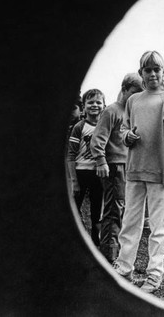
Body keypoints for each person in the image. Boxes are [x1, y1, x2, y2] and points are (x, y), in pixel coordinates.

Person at [112, 51, 164, 294]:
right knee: (129, 223)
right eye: (148, 70)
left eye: (157, 69)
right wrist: (127, 136)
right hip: (135, 169)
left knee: (159, 225)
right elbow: (124, 129)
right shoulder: (133, 101)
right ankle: (124, 268)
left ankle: (154, 274)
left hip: (161, 169)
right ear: (141, 73)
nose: (153, 73)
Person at [89, 73, 142, 263]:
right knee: (113, 210)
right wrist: (101, 161)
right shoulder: (112, 110)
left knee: (122, 209)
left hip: (127, 166)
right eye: (134, 92)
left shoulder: (130, 112)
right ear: (124, 89)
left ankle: (115, 250)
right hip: (113, 167)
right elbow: (98, 139)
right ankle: (108, 256)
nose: (136, 97)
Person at [66, 89, 106, 246]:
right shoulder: (79, 127)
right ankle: (76, 240)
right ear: (84, 106)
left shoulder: (105, 126)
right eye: (90, 102)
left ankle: (96, 242)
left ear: (104, 105)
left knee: (97, 210)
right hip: (81, 172)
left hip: (99, 173)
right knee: (74, 208)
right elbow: (71, 155)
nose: (94, 105)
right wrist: (74, 180)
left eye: (98, 102)